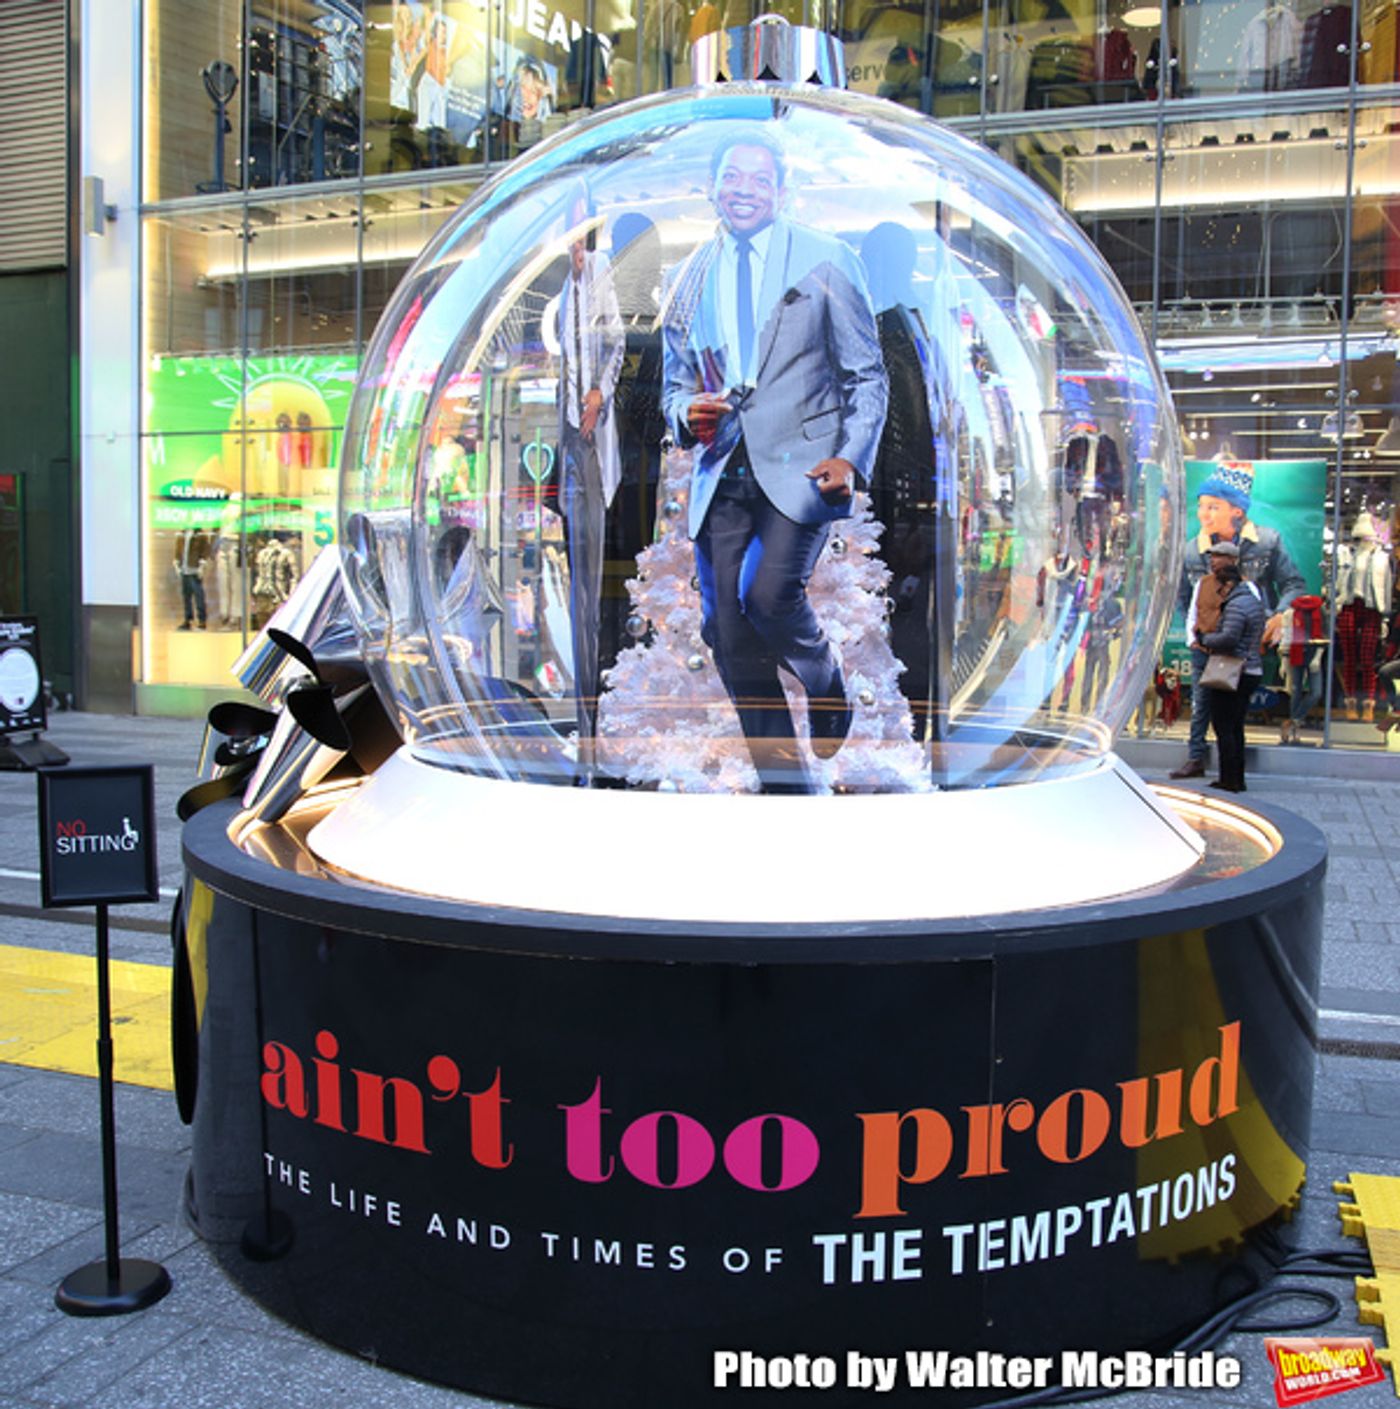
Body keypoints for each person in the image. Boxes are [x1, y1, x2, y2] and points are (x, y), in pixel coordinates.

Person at [661, 125, 888, 791]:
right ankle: (786, 787)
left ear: (782, 191)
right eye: (733, 178)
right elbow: (674, 386)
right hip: (720, 471)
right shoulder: (688, 277)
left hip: (803, 468)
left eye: (759, 180)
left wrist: (850, 457)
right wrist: (685, 413)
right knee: (725, 633)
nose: (744, 191)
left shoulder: (825, 259)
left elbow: (867, 377)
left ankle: (824, 676)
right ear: (712, 188)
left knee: (766, 595)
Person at [1170, 460, 1305, 778]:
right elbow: (1183, 597)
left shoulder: (1267, 542)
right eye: (1202, 505)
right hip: (1205, 642)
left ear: (1237, 511)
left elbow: (1294, 584)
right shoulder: (1192, 550)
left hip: (1241, 642)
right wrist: (1194, 634)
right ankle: (1196, 757)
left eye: (1213, 506)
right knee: (1202, 700)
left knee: (1231, 707)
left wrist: (1273, 618)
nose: (1204, 514)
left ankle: (1232, 768)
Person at [557, 189, 624, 778]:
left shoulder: (599, 275)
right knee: (578, 573)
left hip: (593, 436)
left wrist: (599, 390)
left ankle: (596, 717)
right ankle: (583, 722)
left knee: (597, 575)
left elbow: (615, 341)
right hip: (569, 442)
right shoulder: (561, 288)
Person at [1195, 540, 1266, 793]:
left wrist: (1205, 639)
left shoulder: (1237, 604)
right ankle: (1236, 777)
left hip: (1235, 671)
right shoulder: (1251, 600)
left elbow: (1229, 638)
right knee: (1236, 726)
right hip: (1249, 669)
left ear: (1229, 584)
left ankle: (1230, 780)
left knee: (1224, 726)